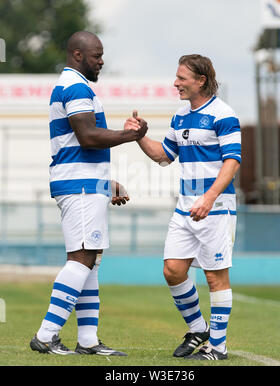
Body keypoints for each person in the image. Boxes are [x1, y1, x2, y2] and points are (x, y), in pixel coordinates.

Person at [29, 31, 147, 355]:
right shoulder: (76, 86)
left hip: (84, 183)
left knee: (90, 260)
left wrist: (105, 183)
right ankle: (46, 335)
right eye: (97, 54)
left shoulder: (74, 86)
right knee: (82, 259)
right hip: (78, 185)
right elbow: (87, 137)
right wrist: (130, 135)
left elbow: (80, 144)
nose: (102, 60)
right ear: (77, 55)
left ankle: (88, 341)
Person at [129, 55, 241, 360]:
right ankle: (198, 329)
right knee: (173, 270)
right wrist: (139, 136)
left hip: (215, 207)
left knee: (216, 277)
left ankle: (218, 347)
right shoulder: (179, 117)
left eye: (181, 78)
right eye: (176, 78)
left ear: (201, 80)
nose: (175, 83)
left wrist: (209, 197)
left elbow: (232, 161)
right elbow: (164, 155)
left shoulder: (224, 114)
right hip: (185, 207)